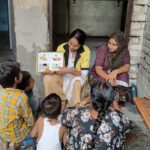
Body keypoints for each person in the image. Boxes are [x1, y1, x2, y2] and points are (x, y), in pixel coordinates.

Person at [59, 81, 133, 150]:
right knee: (121, 133)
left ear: (91, 99)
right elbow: (129, 125)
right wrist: (114, 103)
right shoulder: (116, 119)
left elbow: (62, 116)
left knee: (67, 126)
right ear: (110, 100)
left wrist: (80, 104)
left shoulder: (77, 114)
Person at [43, 28, 90, 110]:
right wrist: (51, 69)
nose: (71, 46)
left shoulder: (86, 51)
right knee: (47, 78)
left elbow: (84, 73)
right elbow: (56, 65)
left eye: (75, 46)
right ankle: (55, 104)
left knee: (77, 82)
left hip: (76, 76)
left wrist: (68, 70)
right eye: (70, 43)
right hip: (62, 75)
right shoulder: (61, 47)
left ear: (81, 45)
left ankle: (72, 109)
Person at [89, 31, 130, 110]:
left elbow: (127, 66)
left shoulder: (124, 51)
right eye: (109, 43)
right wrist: (109, 78)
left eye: (114, 44)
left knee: (124, 76)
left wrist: (115, 72)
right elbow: (98, 69)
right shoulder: (103, 49)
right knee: (103, 82)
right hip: (98, 74)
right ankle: (110, 102)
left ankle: (116, 101)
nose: (110, 46)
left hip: (113, 74)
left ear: (121, 45)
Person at [0, 60, 34, 149]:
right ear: (16, 79)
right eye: (19, 72)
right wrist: (32, 128)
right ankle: (17, 144)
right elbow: (29, 120)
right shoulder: (21, 97)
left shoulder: (1, 92)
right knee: (33, 134)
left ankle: (7, 143)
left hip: (3, 133)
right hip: (17, 136)